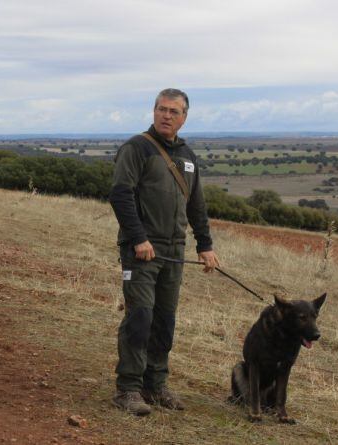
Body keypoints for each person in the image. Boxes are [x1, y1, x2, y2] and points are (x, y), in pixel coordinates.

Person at [108, 88, 220, 415]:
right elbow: (121, 195)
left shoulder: (187, 155)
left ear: (184, 117)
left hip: (174, 251)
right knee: (140, 317)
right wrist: (138, 238)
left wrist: (205, 245)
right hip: (141, 250)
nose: (166, 115)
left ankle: (155, 385)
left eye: (173, 111)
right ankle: (128, 389)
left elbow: (196, 204)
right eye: (161, 109)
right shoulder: (136, 148)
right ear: (154, 111)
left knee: (164, 321)